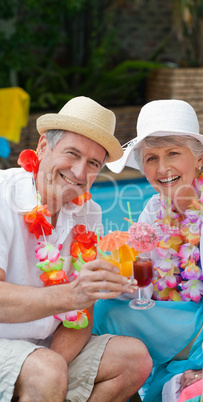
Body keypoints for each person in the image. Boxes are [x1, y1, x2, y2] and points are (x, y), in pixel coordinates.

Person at [92, 99, 203, 402]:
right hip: (178, 323)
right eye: (151, 158)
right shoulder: (152, 210)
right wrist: (113, 280)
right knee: (97, 310)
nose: (162, 168)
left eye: (173, 153)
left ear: (199, 158)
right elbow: (142, 283)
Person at [0, 96, 153, 402]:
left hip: (46, 348)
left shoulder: (89, 212)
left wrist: (56, 363)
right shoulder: (4, 196)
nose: (80, 172)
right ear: (43, 147)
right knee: (46, 371)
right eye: (72, 153)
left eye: (93, 163)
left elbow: (81, 314)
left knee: (135, 359)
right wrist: (70, 295)